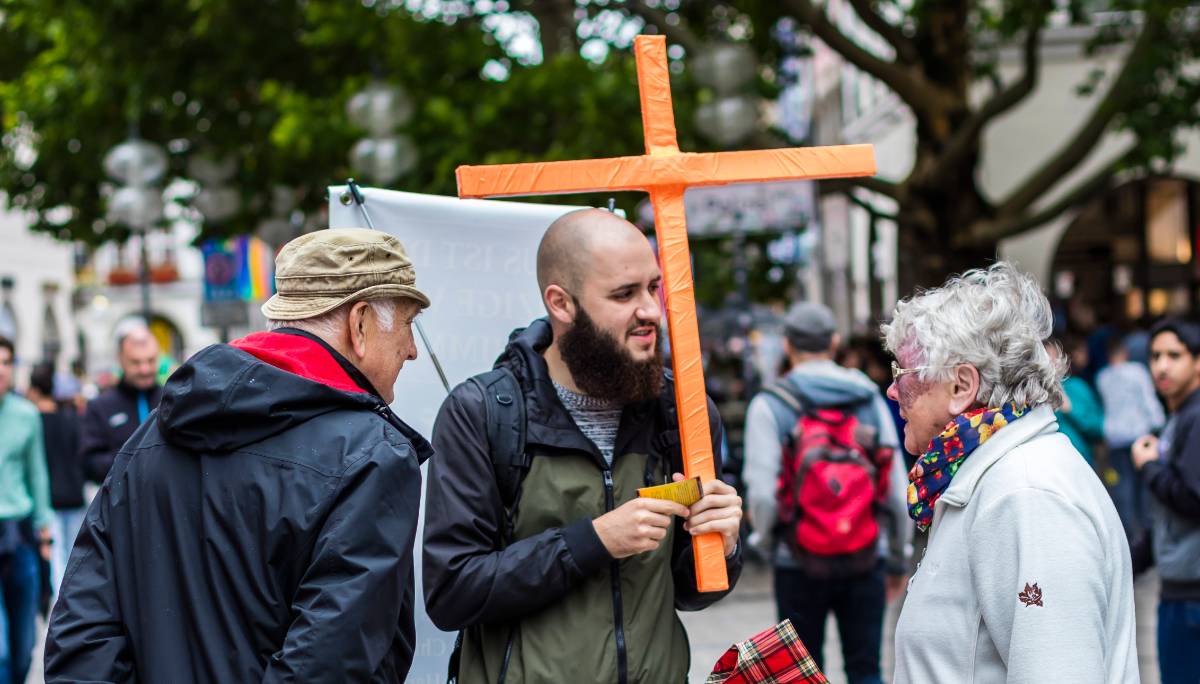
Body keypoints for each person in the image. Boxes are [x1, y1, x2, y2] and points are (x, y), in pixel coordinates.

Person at [46, 228, 434, 682]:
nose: (411, 351)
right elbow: (330, 666)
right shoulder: (373, 455)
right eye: (408, 324)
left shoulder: (154, 432)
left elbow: (82, 632)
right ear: (360, 323)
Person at [423, 209, 744, 683]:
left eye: (653, 288)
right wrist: (592, 541)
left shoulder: (681, 411)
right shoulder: (483, 413)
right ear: (561, 303)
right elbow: (452, 593)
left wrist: (723, 543)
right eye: (624, 294)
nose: (651, 311)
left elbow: (688, 592)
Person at [886, 263, 1137, 682]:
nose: (893, 390)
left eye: (903, 374)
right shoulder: (993, 476)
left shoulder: (1026, 493)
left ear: (962, 386)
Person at [743, 303, 909, 684]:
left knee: (800, 673)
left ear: (788, 346)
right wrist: (897, 557)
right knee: (866, 669)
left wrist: (768, 543)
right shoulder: (868, 397)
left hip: (797, 560)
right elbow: (896, 491)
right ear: (834, 342)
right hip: (867, 556)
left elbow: (764, 497)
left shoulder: (770, 404)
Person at [1130, 318, 1200, 683]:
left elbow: (1193, 497)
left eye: (1174, 355)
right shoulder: (1180, 418)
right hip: (1180, 593)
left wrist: (1151, 466)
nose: (1162, 365)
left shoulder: (1196, 416)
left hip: (1192, 600)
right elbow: (1165, 520)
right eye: (1155, 356)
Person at [0, 337, 53, 684]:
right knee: (1, 652)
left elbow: (37, 473)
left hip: (18, 535)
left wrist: (45, 530)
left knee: (24, 646)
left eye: (6, 361)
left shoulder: (26, 415)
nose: (0, 370)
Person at [25, 362, 85, 598]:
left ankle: (61, 609)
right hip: (74, 495)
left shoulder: (32, 422)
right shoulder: (70, 419)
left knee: (56, 559)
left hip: (50, 499)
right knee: (75, 557)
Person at [1097, 333, 1165, 539]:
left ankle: (1128, 533)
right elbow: (1148, 400)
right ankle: (1146, 529)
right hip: (1138, 434)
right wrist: (1159, 424)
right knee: (1143, 484)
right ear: (1125, 353)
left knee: (1122, 484)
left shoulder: (1103, 377)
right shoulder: (1138, 372)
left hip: (1116, 437)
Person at [78, 325, 163, 483]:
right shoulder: (100, 406)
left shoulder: (172, 401)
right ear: (121, 360)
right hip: (121, 504)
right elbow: (89, 463)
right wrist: (137, 459)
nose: (144, 369)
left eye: (150, 361)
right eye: (135, 362)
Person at [1052, 336, 1106, 467]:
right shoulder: (1031, 397)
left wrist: (1071, 409)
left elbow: (1099, 427)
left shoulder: (1076, 387)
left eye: (1051, 356)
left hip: (1083, 463)